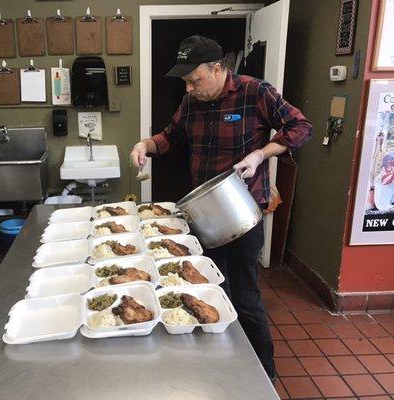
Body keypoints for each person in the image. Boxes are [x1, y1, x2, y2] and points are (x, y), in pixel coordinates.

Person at [130, 35, 313, 380]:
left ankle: (264, 374)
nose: (188, 88)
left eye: (194, 79)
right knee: (208, 291)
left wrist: (262, 153)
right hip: (203, 215)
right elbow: (170, 137)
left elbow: (301, 126)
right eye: (185, 81)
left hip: (242, 215)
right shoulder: (191, 103)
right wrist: (144, 145)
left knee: (244, 297)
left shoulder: (255, 92)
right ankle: (221, 371)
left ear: (217, 69)